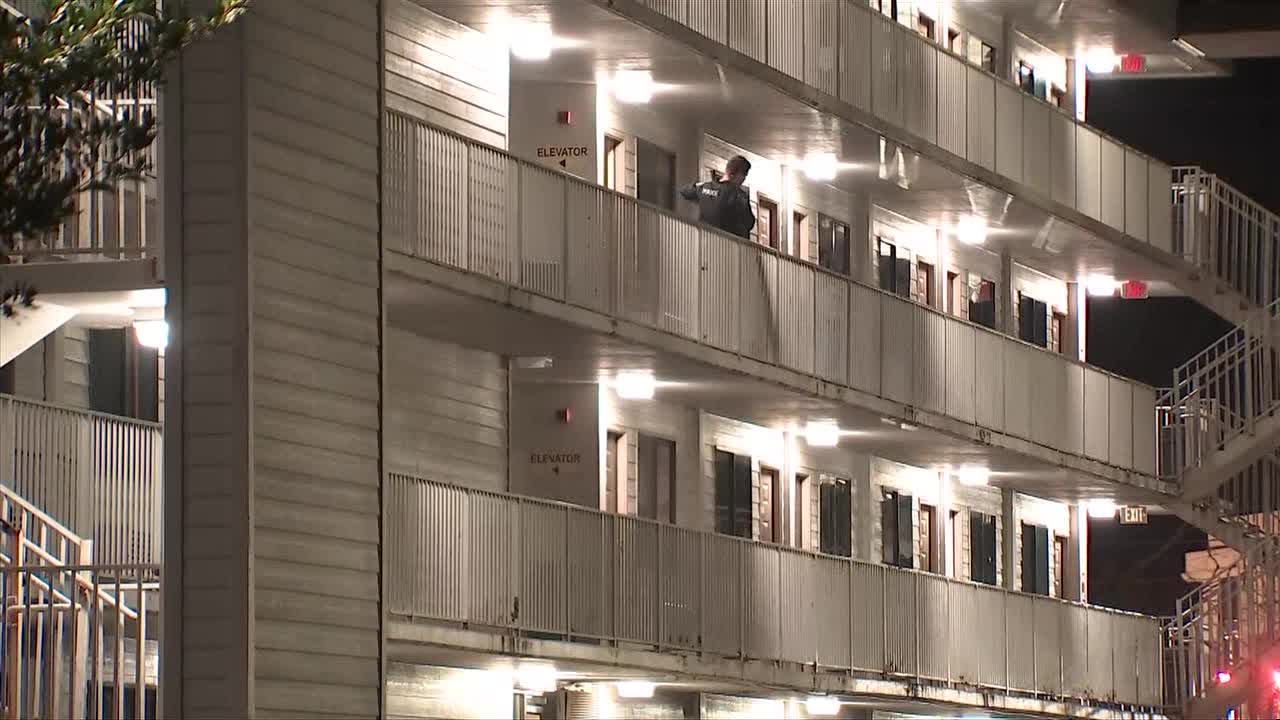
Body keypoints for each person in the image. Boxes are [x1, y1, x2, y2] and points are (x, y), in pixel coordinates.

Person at [679, 155, 755, 239]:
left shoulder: (704, 187)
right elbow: (749, 222)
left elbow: (684, 191)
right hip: (726, 242)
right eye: (744, 175)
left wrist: (701, 190)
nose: (744, 179)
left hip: (704, 239)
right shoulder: (738, 195)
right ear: (734, 173)